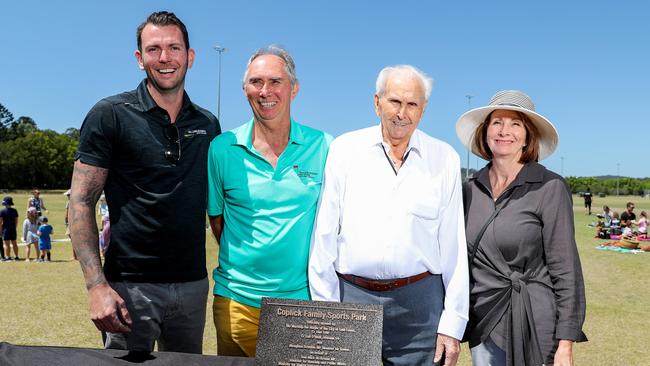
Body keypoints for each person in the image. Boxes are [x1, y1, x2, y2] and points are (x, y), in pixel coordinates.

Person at [70, 11, 220, 354]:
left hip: (193, 286)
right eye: (154, 49)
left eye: (174, 48)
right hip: (128, 289)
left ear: (190, 56)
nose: (164, 58)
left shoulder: (209, 124)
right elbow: (80, 201)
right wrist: (96, 287)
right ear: (140, 59)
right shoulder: (109, 114)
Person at [309, 65, 468, 366]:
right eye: (395, 101)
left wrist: (452, 324)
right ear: (377, 102)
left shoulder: (445, 158)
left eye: (412, 104)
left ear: (423, 109)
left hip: (420, 308)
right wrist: (326, 312)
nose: (402, 113)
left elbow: (454, 248)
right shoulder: (344, 150)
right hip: (352, 298)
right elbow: (325, 236)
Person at [207, 45, 331, 357]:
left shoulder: (325, 146)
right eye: (255, 82)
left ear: (294, 88)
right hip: (235, 301)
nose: (265, 92)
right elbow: (218, 220)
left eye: (275, 81)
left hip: (301, 304)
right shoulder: (222, 148)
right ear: (245, 89)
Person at [456, 90, 587, 365]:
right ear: (485, 131)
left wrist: (566, 341)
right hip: (485, 322)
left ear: (528, 136)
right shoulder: (469, 190)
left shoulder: (549, 187)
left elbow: (566, 269)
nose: (505, 131)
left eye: (515, 124)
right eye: (497, 122)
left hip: (535, 322)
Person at [0, 196, 20, 261]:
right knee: (14, 243)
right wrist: (14, 227)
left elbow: (0, 222)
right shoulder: (15, 211)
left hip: (5, 229)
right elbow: (16, 221)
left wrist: (0, 231)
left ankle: (8, 257)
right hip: (13, 228)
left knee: (7, 244)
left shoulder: (2, 211)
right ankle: (16, 256)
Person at [64, 189, 77, 260]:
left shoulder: (68, 202)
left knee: (73, 240)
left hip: (71, 222)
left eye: (68, 195)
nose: (67, 196)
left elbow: (66, 214)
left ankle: (75, 256)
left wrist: (66, 222)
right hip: (77, 221)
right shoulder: (77, 202)